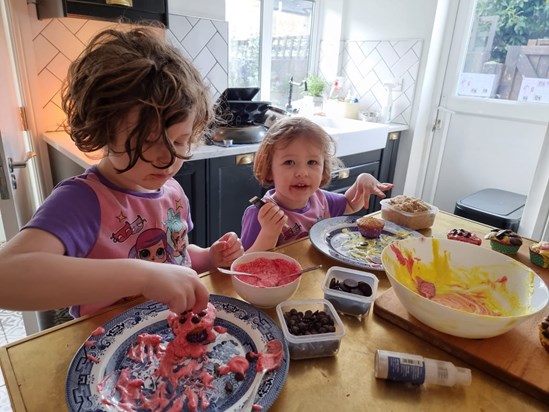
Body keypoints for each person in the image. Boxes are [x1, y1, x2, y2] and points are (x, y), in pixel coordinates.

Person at [0, 27, 244, 317]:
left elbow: (175, 258)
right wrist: (143, 276)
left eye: (180, 141)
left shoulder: (173, 193)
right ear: (104, 130)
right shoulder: (83, 201)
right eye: (147, 142)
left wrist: (207, 257)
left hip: (172, 342)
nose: (167, 160)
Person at [241, 116, 393, 252]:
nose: (302, 172)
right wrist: (268, 233)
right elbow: (242, 266)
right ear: (269, 170)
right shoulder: (260, 214)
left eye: (312, 162)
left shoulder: (320, 200)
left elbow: (351, 204)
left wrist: (361, 182)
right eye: (289, 162)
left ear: (323, 168)